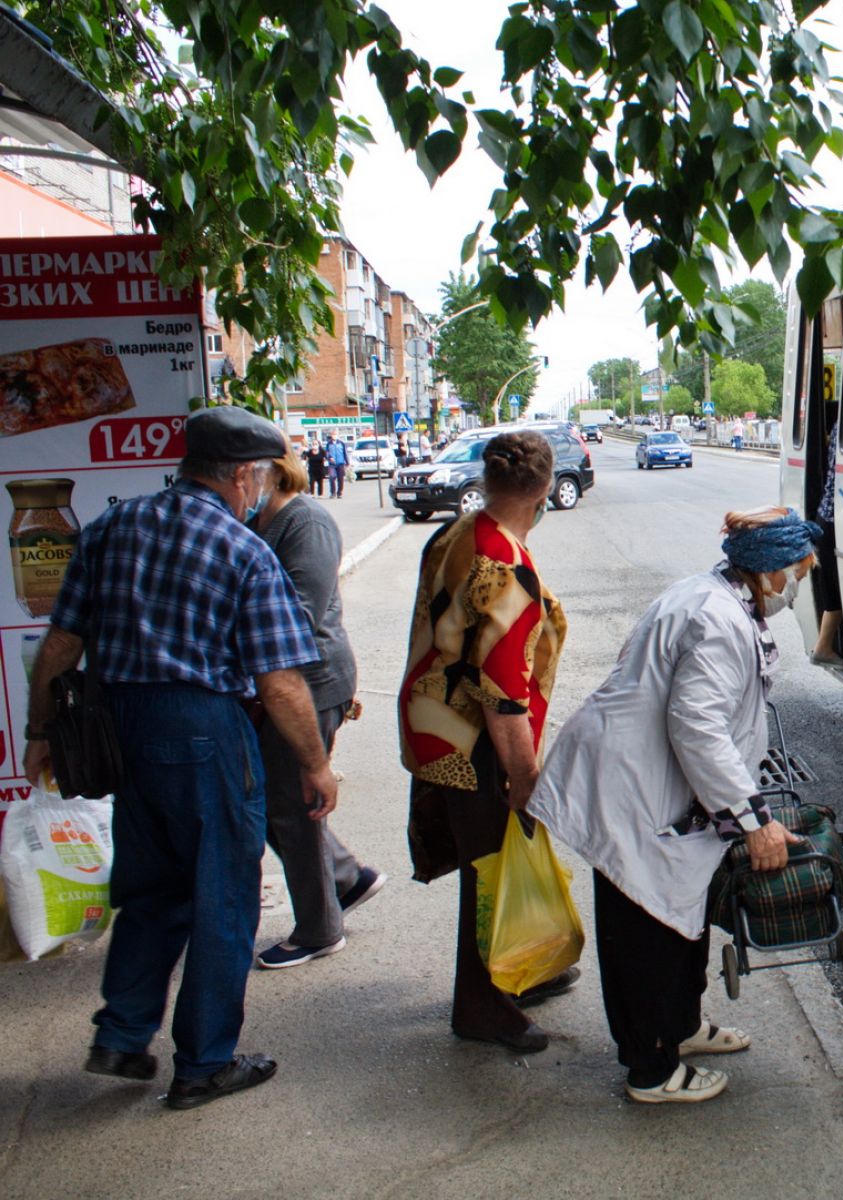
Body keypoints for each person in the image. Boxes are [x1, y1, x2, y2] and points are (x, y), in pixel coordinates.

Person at [21, 406, 336, 1110]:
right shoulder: (242, 548)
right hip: (200, 729)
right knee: (222, 897)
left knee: (153, 889)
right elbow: (280, 681)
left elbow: (63, 644)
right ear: (243, 474)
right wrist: (315, 764)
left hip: (121, 728)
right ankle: (204, 1063)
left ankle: (123, 1034)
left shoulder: (111, 527)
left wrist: (42, 727)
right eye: (256, 478)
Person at [531, 506, 813, 1105]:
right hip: (632, 793)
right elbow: (698, 727)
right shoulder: (717, 619)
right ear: (768, 573)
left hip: (657, 789)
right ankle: (651, 1070)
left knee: (680, 924)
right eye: (798, 572)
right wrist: (752, 822)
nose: (799, 585)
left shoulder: (718, 596)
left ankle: (681, 1029)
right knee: (646, 932)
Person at [400, 431, 578, 1053]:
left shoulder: (454, 533)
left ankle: (519, 973)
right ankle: (481, 1007)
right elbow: (503, 690)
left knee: (489, 867)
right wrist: (523, 777)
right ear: (544, 493)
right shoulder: (506, 567)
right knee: (492, 873)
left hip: (431, 727)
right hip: (475, 746)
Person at [252, 453, 385, 969]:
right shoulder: (258, 518)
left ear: (272, 469)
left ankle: (320, 929)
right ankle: (346, 878)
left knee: (292, 804)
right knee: (275, 802)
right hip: (276, 684)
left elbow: (299, 617)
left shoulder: (305, 520)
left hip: (311, 682)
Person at [810, 404, 843, 668]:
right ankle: (823, 647)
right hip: (833, 519)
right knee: (833, 587)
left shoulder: (837, 429)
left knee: (832, 586)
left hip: (827, 518)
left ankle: (823, 646)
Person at [324, 433, 348, 498]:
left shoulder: (341, 443)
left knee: (340, 479)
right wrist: (329, 458)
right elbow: (326, 453)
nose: (334, 436)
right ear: (331, 436)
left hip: (340, 463)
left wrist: (347, 463)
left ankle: (339, 492)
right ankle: (333, 493)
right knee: (332, 477)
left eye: (335, 435)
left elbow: (345, 453)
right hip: (332, 464)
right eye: (333, 435)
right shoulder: (329, 444)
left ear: (337, 436)